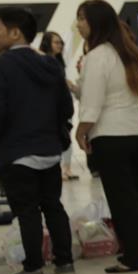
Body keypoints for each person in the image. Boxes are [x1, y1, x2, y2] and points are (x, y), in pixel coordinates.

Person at [0, 7, 75, 274]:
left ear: (15, 33)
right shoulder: (50, 64)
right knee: (53, 206)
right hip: (49, 149)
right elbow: (67, 108)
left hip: (17, 150)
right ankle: (65, 263)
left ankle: (33, 268)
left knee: (27, 211)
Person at [74, 0, 138, 274]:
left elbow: (93, 102)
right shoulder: (125, 51)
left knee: (121, 199)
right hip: (136, 131)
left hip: (112, 135)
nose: (78, 24)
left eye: (82, 19)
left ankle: (136, 257)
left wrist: (81, 131)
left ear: (96, 22)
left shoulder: (98, 55)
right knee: (135, 196)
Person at [38, 30, 82, 181]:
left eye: (61, 43)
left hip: (62, 105)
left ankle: (66, 168)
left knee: (66, 135)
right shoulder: (41, 60)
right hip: (50, 106)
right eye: (56, 42)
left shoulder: (58, 62)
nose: (60, 45)